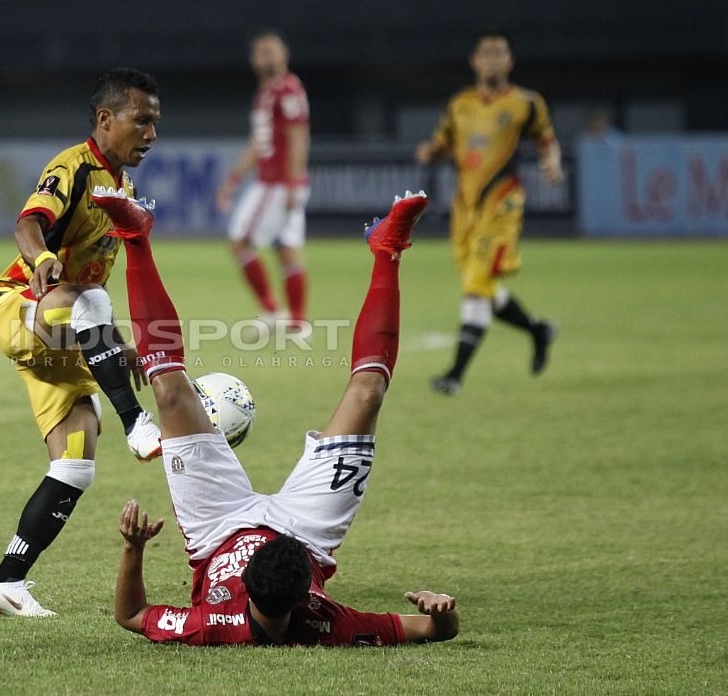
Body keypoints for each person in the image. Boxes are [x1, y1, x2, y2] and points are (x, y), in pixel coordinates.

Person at [96, 186, 459, 646]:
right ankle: (387, 249)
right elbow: (433, 630)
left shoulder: (213, 625)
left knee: (169, 394)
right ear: (310, 593)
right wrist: (440, 611)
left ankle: (134, 235)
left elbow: (131, 615)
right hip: (304, 532)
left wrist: (133, 549)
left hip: (216, 528)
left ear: (244, 584)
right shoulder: (326, 621)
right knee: (368, 394)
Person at [0, 68, 164, 617]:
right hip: (20, 307)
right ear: (106, 120)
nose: (150, 134)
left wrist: (121, 347)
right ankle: (136, 423)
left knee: (75, 465)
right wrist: (43, 258)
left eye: (155, 123)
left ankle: (6, 582)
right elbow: (27, 225)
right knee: (89, 302)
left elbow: (93, 293)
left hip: (64, 326)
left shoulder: (121, 189)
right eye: (141, 121)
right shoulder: (72, 167)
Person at [415, 26, 562, 396]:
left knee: (476, 287)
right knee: (482, 286)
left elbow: (547, 141)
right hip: (464, 208)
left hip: (502, 204)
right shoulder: (459, 104)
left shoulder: (526, 102)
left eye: (500, 53)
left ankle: (454, 375)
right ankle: (537, 330)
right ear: (475, 61)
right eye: (486, 53)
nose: (492, 59)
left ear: (509, 61)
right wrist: (430, 152)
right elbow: (443, 144)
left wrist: (552, 164)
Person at [215, 30, 312, 337]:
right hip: (275, 181)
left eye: (271, 50)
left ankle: (273, 312)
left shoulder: (288, 90)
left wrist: (294, 183)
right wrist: (233, 179)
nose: (265, 57)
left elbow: (298, 137)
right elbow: (260, 143)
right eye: (260, 52)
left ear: (284, 55)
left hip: (277, 183)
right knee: (286, 247)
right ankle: (296, 322)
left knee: (239, 240)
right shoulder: (266, 93)